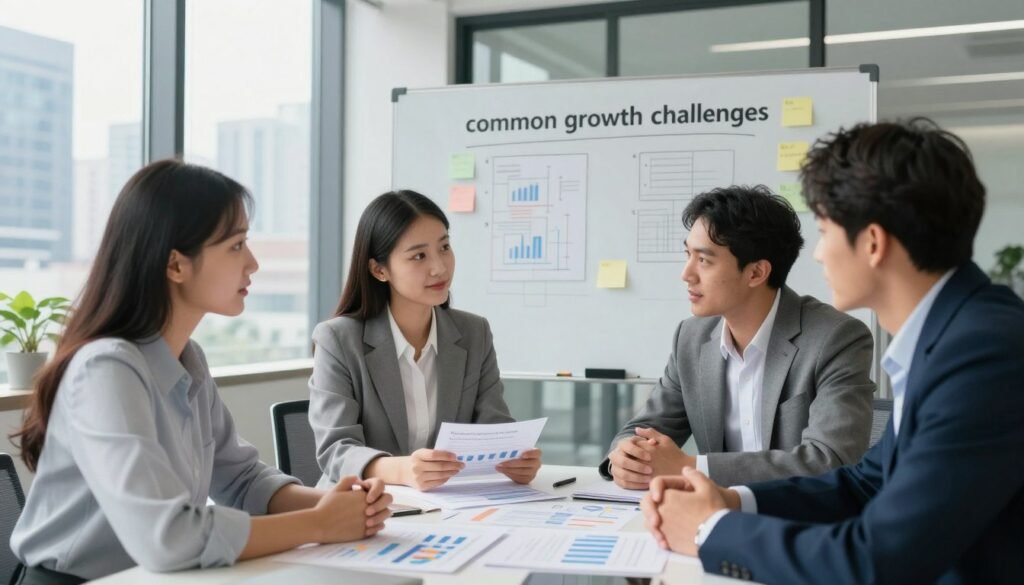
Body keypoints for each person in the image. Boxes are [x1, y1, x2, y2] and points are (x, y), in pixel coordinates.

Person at [641, 119, 1024, 584]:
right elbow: (866, 483)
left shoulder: (983, 355)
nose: (818, 254)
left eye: (824, 230)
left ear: (873, 243)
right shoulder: (951, 336)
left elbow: (877, 560)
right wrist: (733, 501)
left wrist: (710, 531)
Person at [8, 160, 392, 584]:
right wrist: (319, 524)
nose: (253, 263)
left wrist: (336, 505)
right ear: (176, 265)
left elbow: (241, 480)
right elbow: (168, 538)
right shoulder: (106, 370)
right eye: (236, 245)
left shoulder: (187, 358)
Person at [600, 185, 875, 489]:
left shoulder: (836, 338)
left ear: (756, 273)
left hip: (797, 513)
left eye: (704, 260)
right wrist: (626, 457)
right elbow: (644, 429)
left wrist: (692, 467)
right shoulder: (691, 338)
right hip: (712, 511)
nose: (686, 274)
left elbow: (829, 460)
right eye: (688, 254)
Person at [309, 190, 541, 491]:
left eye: (444, 247)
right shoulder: (338, 340)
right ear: (379, 270)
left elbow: (493, 426)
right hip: (362, 503)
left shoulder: (474, 333)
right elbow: (336, 450)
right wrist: (401, 470)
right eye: (419, 256)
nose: (440, 267)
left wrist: (514, 459)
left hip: (447, 505)